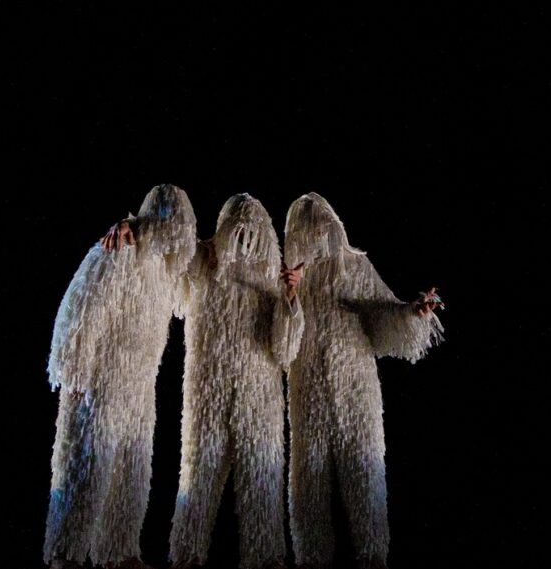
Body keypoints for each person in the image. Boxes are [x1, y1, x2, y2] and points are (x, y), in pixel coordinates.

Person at [283, 193, 443, 569]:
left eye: (321, 226)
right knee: (308, 476)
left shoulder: (354, 265)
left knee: (364, 469)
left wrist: (412, 312)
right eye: (308, 228)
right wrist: (289, 294)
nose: (316, 233)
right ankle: (310, 557)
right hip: (307, 388)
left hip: (356, 386)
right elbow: (281, 334)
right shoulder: (288, 274)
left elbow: (382, 307)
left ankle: (373, 555)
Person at [44, 184, 197, 569]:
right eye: (171, 226)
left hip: (140, 386)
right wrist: (74, 369)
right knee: (86, 467)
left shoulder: (165, 270)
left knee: (132, 469)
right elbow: (81, 304)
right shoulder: (118, 249)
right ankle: (66, 553)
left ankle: (119, 550)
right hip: (102, 382)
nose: (176, 237)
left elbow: (194, 267)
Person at [168, 194, 304, 569]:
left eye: (251, 233)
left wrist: (291, 298)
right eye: (237, 232)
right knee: (197, 475)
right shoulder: (203, 260)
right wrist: (135, 226)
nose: (244, 240)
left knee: (261, 477)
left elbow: (285, 350)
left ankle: (266, 556)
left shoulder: (273, 279)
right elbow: (171, 247)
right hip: (206, 394)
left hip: (258, 398)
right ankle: (186, 555)